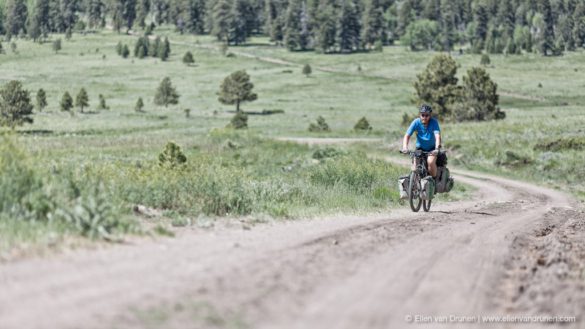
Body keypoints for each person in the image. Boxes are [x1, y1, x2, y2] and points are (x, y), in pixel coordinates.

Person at [401, 104, 442, 179]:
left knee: (430, 162)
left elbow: (437, 136)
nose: (424, 117)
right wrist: (405, 147)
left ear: (430, 115)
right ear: (420, 115)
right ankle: (415, 184)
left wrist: (437, 149)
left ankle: (434, 180)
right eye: (423, 115)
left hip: (432, 149)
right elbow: (407, 136)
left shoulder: (434, 122)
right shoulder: (416, 122)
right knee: (415, 166)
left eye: (427, 115)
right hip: (420, 148)